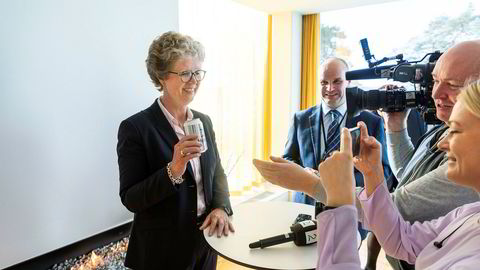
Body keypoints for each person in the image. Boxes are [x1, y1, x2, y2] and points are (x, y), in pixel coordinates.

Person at [254, 79, 480, 269]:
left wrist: (336, 200)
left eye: (456, 129)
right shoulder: (469, 214)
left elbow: (402, 206)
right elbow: (403, 239)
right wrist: (373, 177)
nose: (442, 143)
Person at [117, 31, 234, 270]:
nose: (194, 80)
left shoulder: (204, 121)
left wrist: (221, 207)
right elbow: (131, 199)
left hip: (205, 244)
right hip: (161, 253)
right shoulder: (136, 128)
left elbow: (217, 173)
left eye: (197, 72)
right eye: (185, 73)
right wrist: (174, 169)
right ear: (161, 77)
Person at [367, 40, 480, 270]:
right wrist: (395, 126)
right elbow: (407, 174)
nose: (436, 92)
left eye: (453, 84)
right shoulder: (469, 214)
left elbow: (399, 206)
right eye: (435, 81)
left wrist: (321, 187)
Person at [282, 57, 391, 206]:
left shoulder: (372, 122)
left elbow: (384, 172)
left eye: (337, 81)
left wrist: (345, 182)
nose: (330, 88)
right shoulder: (300, 118)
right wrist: (303, 173)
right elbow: (287, 160)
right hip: (305, 209)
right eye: (324, 83)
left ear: (349, 82)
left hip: (352, 210)